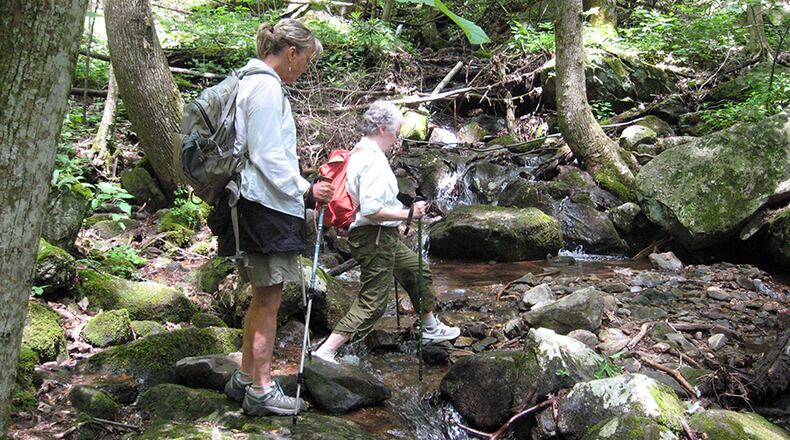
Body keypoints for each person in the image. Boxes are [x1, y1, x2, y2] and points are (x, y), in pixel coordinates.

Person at [216, 19, 334, 416]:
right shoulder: (266, 87)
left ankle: (247, 377)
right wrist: (305, 189)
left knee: (260, 297)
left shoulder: (249, 81)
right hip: (265, 206)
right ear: (290, 54)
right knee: (269, 300)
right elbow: (267, 156)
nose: (304, 68)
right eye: (306, 60)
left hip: (255, 204)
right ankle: (262, 390)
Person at [313, 101, 461, 364]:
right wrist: (408, 214)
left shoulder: (361, 152)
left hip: (381, 235)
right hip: (374, 236)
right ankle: (326, 351)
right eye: (394, 133)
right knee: (374, 301)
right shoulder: (371, 159)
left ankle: (429, 327)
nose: (396, 139)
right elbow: (371, 209)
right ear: (382, 129)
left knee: (416, 269)